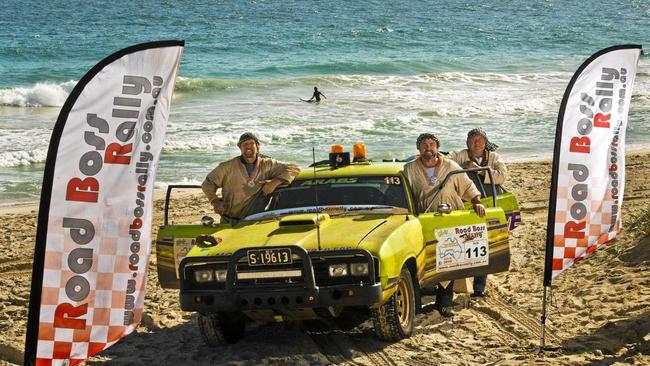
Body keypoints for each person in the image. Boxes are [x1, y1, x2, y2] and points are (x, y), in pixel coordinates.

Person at [403, 133, 485, 318]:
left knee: (449, 260)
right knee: (425, 261)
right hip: (424, 221)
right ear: (418, 148)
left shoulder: (450, 166)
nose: (428, 148)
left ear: (437, 147)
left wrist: (476, 202)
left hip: (450, 219)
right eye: (424, 145)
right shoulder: (409, 168)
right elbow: (402, 193)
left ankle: (444, 302)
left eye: (432, 144)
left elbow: (467, 186)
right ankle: (417, 300)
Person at [449, 128, 507, 297]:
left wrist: (480, 170)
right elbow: (445, 165)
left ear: (485, 141)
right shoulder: (459, 155)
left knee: (484, 246)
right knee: (464, 244)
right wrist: (462, 167)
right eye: (473, 140)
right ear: (467, 142)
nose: (477, 143)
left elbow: (502, 176)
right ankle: (459, 284)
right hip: (466, 207)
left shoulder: (494, 157)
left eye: (480, 140)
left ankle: (479, 288)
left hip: (488, 205)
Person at [201, 132, 300, 225]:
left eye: (251, 143)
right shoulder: (227, 167)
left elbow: (294, 168)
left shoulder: (268, 164)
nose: (248, 146)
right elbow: (207, 184)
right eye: (244, 144)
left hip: (256, 220)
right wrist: (215, 202)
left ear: (257, 146)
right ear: (240, 148)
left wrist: (275, 182)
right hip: (229, 220)